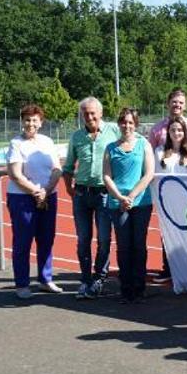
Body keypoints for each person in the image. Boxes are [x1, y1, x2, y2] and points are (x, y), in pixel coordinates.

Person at [62, 97, 120, 300]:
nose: (89, 117)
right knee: (83, 240)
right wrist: (71, 190)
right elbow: (68, 167)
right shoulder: (77, 136)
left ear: (101, 113)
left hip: (104, 193)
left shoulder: (114, 131)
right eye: (85, 113)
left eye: (92, 112)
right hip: (81, 194)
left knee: (104, 239)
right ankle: (85, 280)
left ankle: (99, 279)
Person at [6, 104, 63, 299]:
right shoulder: (16, 143)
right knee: (23, 242)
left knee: (46, 239)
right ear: (22, 121)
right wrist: (35, 191)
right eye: (27, 119)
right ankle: (22, 284)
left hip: (48, 196)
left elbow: (57, 169)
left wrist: (46, 190)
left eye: (34, 120)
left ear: (41, 122)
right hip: (22, 199)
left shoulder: (47, 141)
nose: (31, 123)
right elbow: (15, 174)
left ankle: (46, 279)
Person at [149, 87, 187, 283]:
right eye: (174, 102)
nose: (177, 105)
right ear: (168, 103)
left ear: (185, 105)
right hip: (166, 194)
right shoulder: (156, 129)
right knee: (167, 232)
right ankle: (168, 268)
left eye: (181, 102)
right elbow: (151, 159)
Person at [103, 108, 155, 304]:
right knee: (124, 246)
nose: (127, 126)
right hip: (118, 203)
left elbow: (148, 174)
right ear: (119, 124)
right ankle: (126, 289)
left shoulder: (144, 145)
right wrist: (120, 197)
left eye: (131, 122)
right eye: (124, 122)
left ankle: (140, 288)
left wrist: (131, 196)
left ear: (136, 124)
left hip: (141, 202)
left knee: (139, 245)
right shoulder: (110, 148)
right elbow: (106, 175)